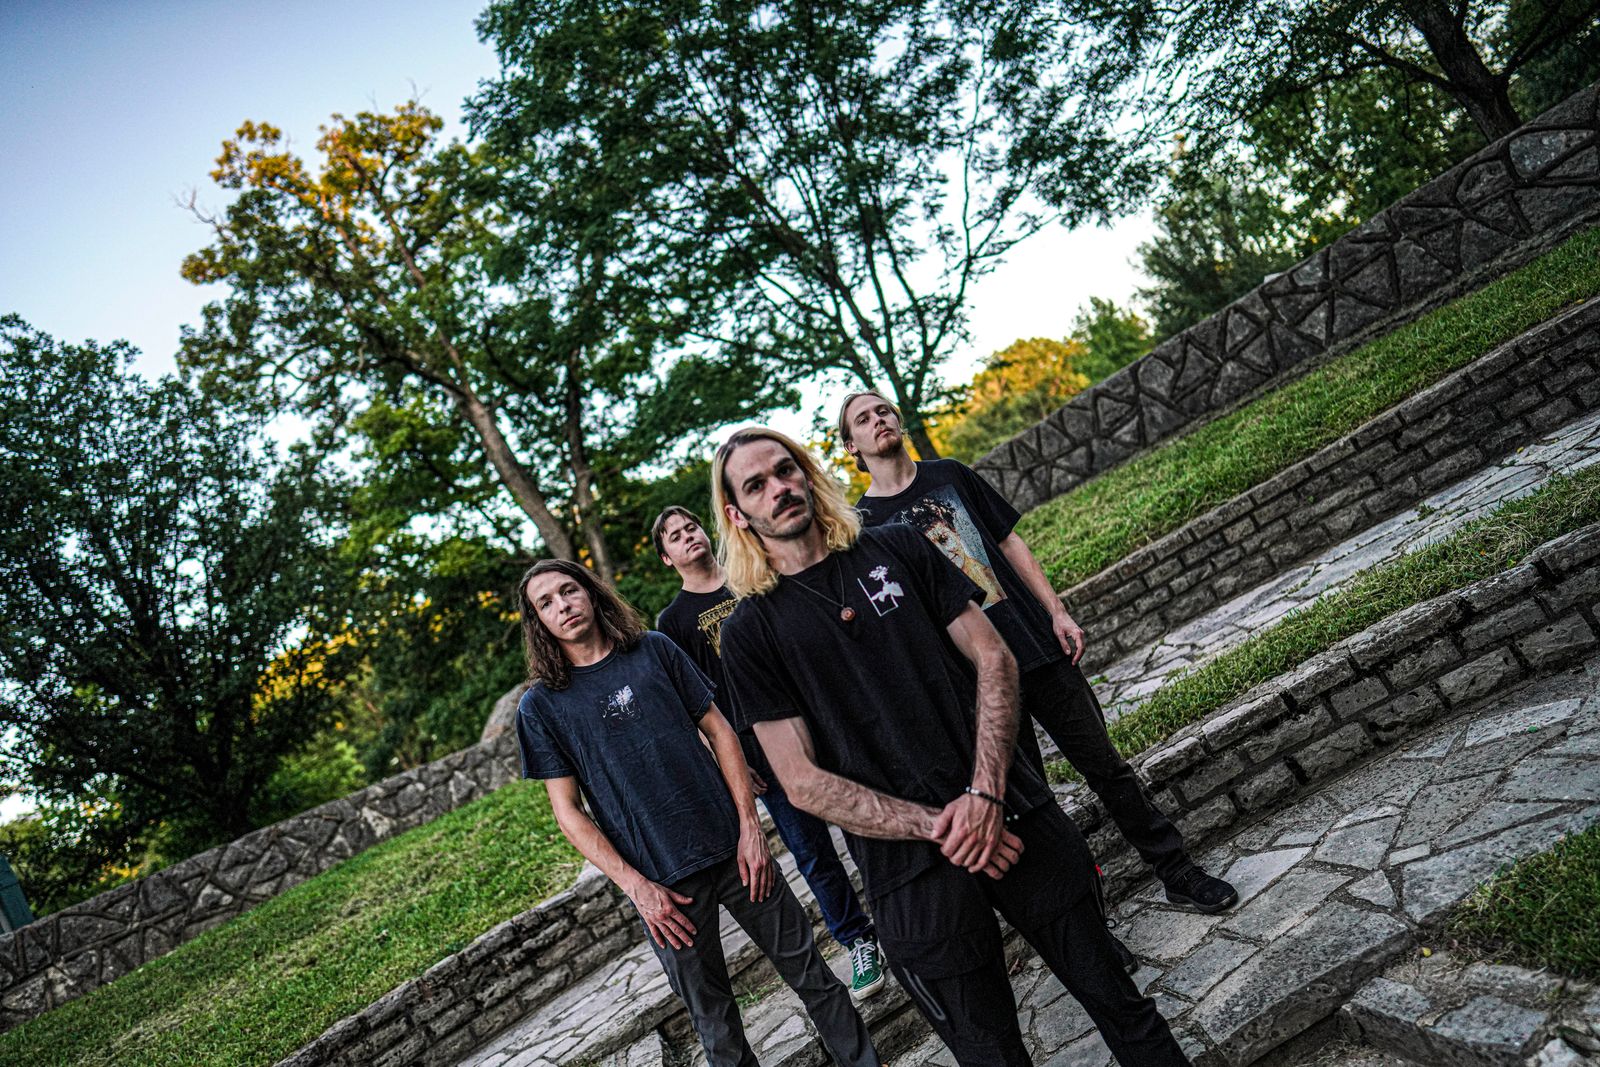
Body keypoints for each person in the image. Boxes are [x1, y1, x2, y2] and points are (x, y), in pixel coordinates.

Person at [711, 427, 1191, 1067]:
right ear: (738, 515)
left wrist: (985, 796)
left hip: (1012, 812)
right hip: (911, 873)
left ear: (807, 473)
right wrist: (945, 827)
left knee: (1124, 1009)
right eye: (756, 485)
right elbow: (800, 781)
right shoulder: (749, 634)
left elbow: (994, 657)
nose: (779, 488)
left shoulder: (899, 545)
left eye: (785, 469)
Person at [840, 390, 1237, 915]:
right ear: (851, 445)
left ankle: (1177, 871)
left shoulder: (950, 475)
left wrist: (1057, 612)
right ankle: (1087, 915)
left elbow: (1009, 542)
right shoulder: (864, 527)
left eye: (883, 411)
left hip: (1033, 643)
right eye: (863, 419)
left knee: (1106, 766)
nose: (878, 420)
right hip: (979, 681)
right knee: (1036, 807)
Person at [514, 559, 880, 1067]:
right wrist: (636, 888)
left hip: (737, 853)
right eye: (546, 603)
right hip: (664, 888)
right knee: (716, 1027)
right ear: (538, 622)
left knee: (813, 976)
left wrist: (750, 828)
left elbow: (721, 731)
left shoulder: (654, 650)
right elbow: (568, 812)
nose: (563, 606)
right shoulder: (540, 707)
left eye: (568, 591)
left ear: (591, 593)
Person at [652, 505, 886, 1001]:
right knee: (812, 852)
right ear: (666, 558)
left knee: (866, 815)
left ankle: (895, 910)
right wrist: (731, 763)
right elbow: (692, 708)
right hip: (757, 751)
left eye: (691, 526)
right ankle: (858, 940)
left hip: (813, 720)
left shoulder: (750, 577)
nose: (688, 536)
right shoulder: (671, 623)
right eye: (674, 536)